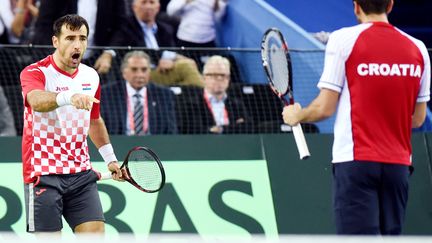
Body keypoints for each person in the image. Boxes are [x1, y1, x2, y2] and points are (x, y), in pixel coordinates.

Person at [281, 0, 431, 235]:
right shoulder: (418, 48)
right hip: (398, 167)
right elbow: (418, 118)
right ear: (390, 5)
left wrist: (296, 115)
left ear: (356, 6)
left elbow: (324, 108)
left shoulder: (343, 39)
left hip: (355, 162)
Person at [20, 14, 126, 233]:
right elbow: (36, 101)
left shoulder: (91, 76)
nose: (77, 45)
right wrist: (68, 97)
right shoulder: (35, 72)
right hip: (43, 173)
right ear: (55, 41)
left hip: (80, 173)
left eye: (82, 38)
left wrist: (111, 159)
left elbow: (94, 120)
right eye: (70, 38)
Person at [114, 0, 202, 87]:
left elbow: (172, 51)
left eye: (152, 2)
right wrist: (167, 57)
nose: (148, 6)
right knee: (186, 66)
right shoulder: (126, 28)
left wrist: (171, 60)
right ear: (134, 7)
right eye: (144, 2)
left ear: (158, 7)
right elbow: (138, 52)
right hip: (142, 72)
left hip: (165, 71)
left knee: (189, 77)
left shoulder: (165, 29)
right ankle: (208, 96)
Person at [31, 0, 128, 74]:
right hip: (60, 59)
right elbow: (43, 27)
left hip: (96, 61)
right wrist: (57, 56)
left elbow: (121, 26)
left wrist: (108, 53)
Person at [101, 50, 178, 135]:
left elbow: (171, 131)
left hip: (153, 145)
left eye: (144, 70)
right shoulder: (107, 94)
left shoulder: (164, 95)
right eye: (134, 69)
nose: (140, 75)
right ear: (124, 72)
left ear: (149, 72)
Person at [177, 55, 252, 134]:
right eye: (214, 75)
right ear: (204, 77)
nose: (219, 79)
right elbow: (194, 131)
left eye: (223, 75)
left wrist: (220, 129)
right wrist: (233, 127)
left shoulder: (237, 104)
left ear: (228, 79)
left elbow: (248, 128)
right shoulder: (191, 104)